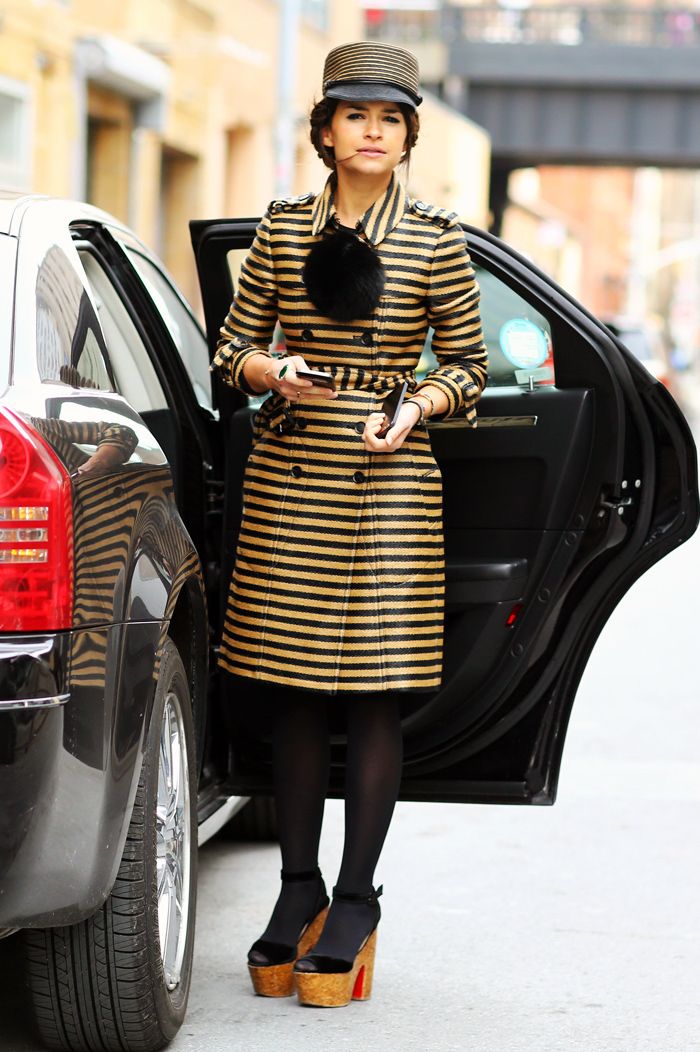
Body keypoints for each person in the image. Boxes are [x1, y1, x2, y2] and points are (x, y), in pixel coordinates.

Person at [211, 40, 488, 1008]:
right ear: (325, 131)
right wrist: (265, 370)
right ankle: (298, 889)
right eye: (355, 115)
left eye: (391, 117)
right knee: (293, 687)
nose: (373, 130)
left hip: (388, 475)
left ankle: (359, 901)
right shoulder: (283, 231)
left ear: (406, 136)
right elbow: (231, 345)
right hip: (292, 471)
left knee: (372, 690)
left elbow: (468, 366)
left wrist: (415, 408)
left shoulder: (437, 239)